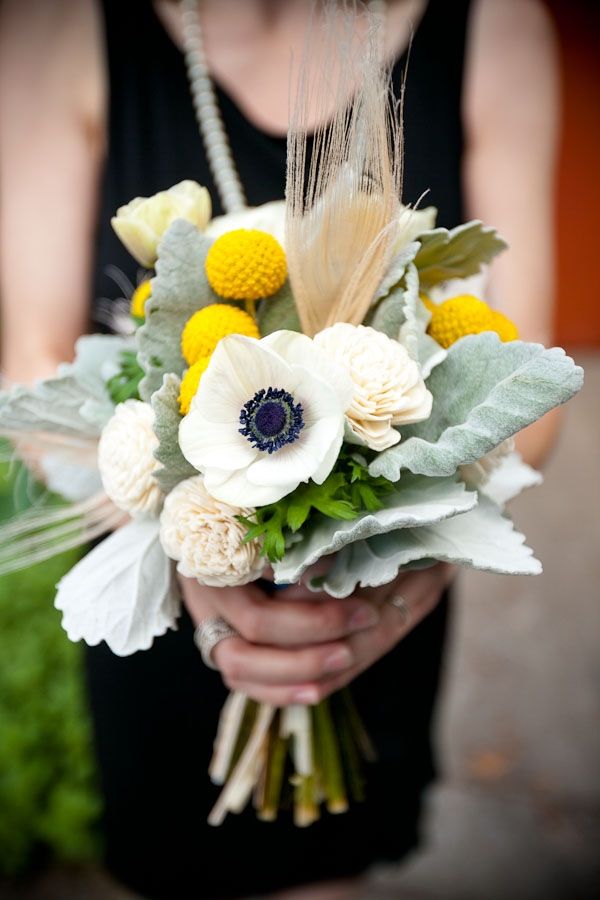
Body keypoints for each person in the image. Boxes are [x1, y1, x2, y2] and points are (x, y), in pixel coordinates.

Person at [0, 1, 560, 897]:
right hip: (163, 590)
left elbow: (532, 384)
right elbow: (32, 369)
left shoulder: (498, 23)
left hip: (386, 589)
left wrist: (399, 564)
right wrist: (190, 535)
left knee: (335, 864)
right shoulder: (53, 26)